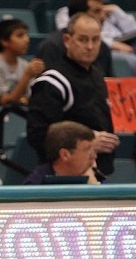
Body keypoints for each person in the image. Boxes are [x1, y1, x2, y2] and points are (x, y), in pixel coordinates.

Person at [27, 12, 120, 178]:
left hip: (100, 171)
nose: (90, 46)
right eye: (83, 39)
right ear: (67, 41)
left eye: (96, 39)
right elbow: (38, 135)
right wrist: (86, 143)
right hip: (64, 177)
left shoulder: (98, 76)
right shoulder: (52, 81)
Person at [37, 0, 114, 76]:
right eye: (97, 11)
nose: (103, 17)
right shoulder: (51, 46)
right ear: (79, 15)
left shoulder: (103, 47)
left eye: (95, 40)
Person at [0, 18, 46, 107]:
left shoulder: (24, 64)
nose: (27, 40)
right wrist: (27, 75)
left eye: (26, 35)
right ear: (4, 41)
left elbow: (30, 97)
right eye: (20, 35)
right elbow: (6, 103)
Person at [22, 120, 104, 184]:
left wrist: (95, 186)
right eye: (87, 150)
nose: (94, 156)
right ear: (65, 155)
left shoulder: (94, 176)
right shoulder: (36, 184)